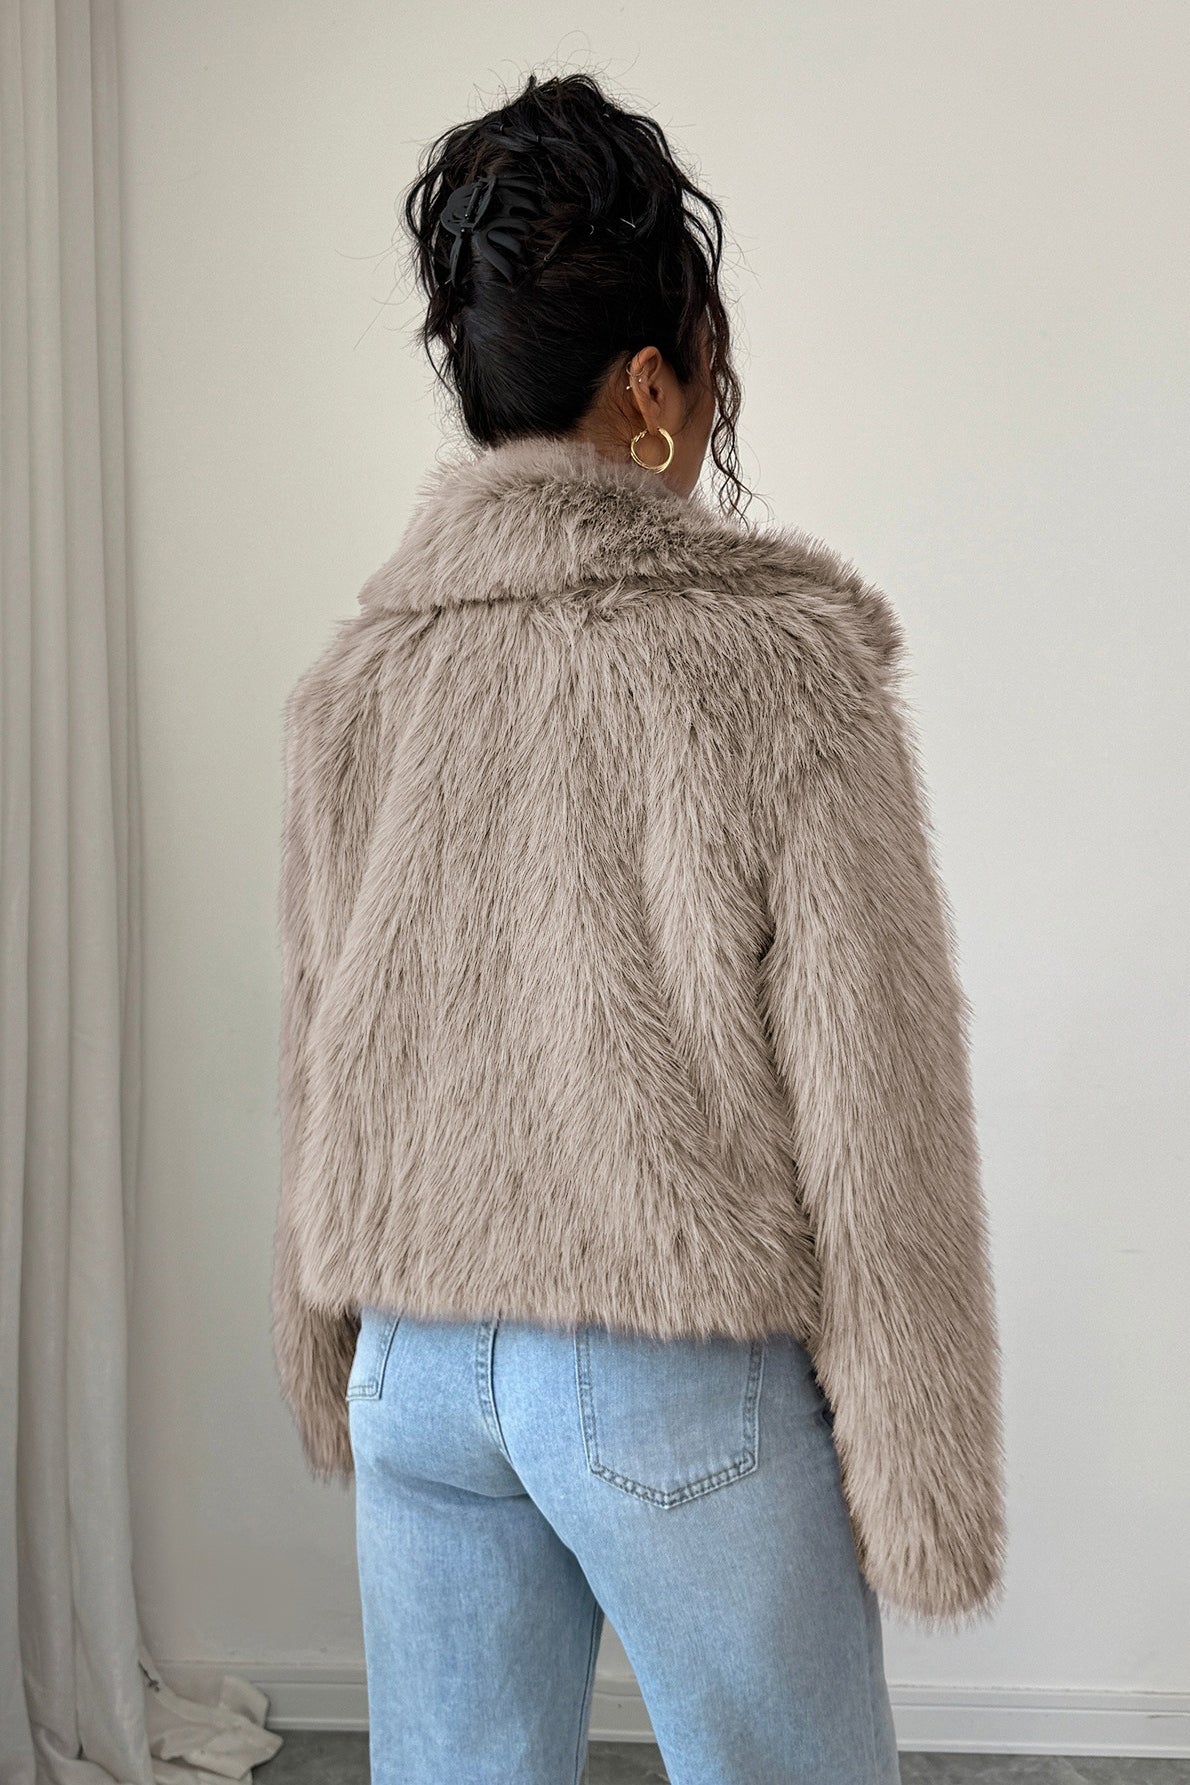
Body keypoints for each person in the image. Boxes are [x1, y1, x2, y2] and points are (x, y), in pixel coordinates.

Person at [270, 69, 1007, 1785]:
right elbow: (877, 1105)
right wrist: (924, 1479)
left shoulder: (360, 681)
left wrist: (326, 1349)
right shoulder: (778, 667)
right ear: (656, 384)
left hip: (415, 1368)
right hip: (668, 1371)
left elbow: (322, 1047)